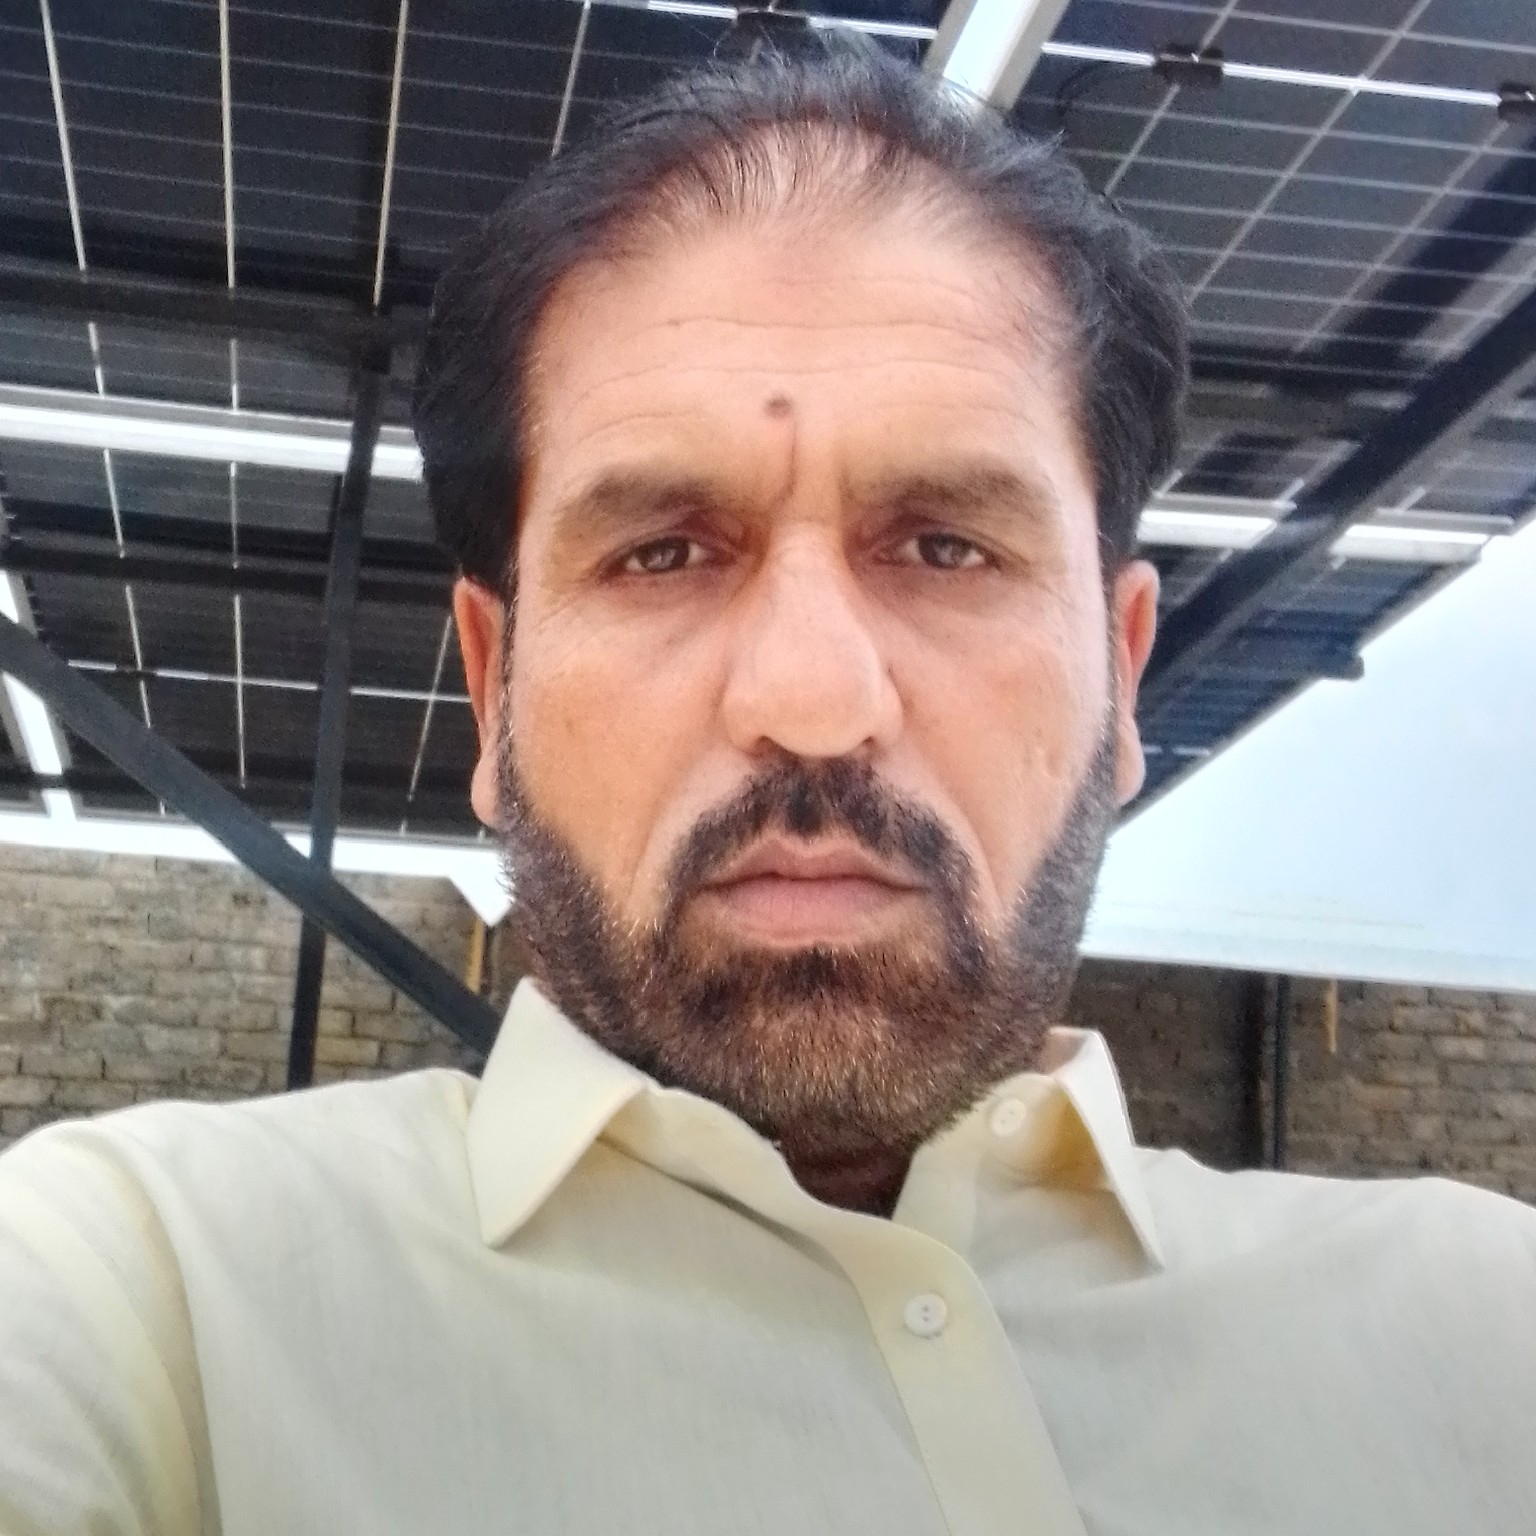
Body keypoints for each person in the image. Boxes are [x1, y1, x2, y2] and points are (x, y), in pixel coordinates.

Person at [2, 40, 1533, 1536]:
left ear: (1122, 676)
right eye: (663, 552)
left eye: (947, 547)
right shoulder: (145, 1300)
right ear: (493, 684)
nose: (811, 702)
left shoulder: (1479, 1333)